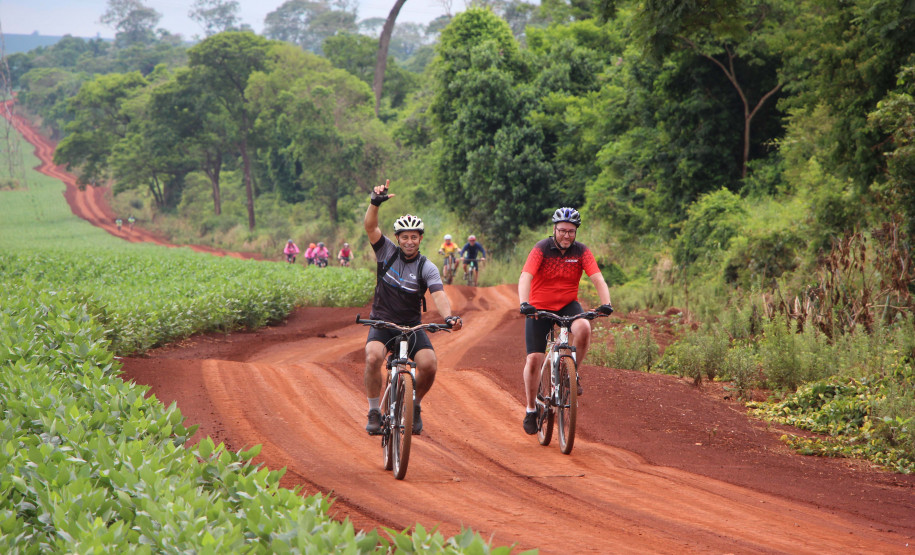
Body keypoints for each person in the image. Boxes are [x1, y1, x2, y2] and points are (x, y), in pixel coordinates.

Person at [363, 179, 463, 436]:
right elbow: (370, 226)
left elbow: (438, 294)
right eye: (405, 237)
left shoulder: (426, 267)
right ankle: (374, 411)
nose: (409, 241)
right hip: (382, 322)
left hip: (411, 326)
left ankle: (414, 404)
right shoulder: (386, 252)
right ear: (397, 238)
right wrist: (375, 203)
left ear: (420, 239)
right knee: (373, 357)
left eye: (414, 237)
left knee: (429, 365)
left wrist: (449, 317)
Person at [518, 207, 614, 435]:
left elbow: (597, 278)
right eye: (562, 230)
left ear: (576, 232)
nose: (566, 235)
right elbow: (526, 276)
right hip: (539, 307)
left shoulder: (581, 251)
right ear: (554, 229)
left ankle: (571, 374)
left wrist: (606, 303)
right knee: (534, 359)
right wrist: (524, 303)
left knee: (584, 327)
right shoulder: (541, 248)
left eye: (571, 231)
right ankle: (531, 408)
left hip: (568, 305)